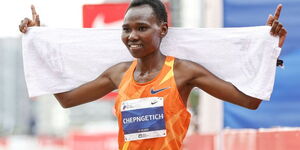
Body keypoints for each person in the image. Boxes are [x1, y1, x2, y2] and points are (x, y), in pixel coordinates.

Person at [19, 0, 287, 149]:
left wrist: (267, 50)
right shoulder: (118, 74)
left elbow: (250, 102)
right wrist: (38, 45)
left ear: (163, 30)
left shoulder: (183, 72)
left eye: (142, 28)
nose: (132, 36)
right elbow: (66, 100)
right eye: (126, 29)